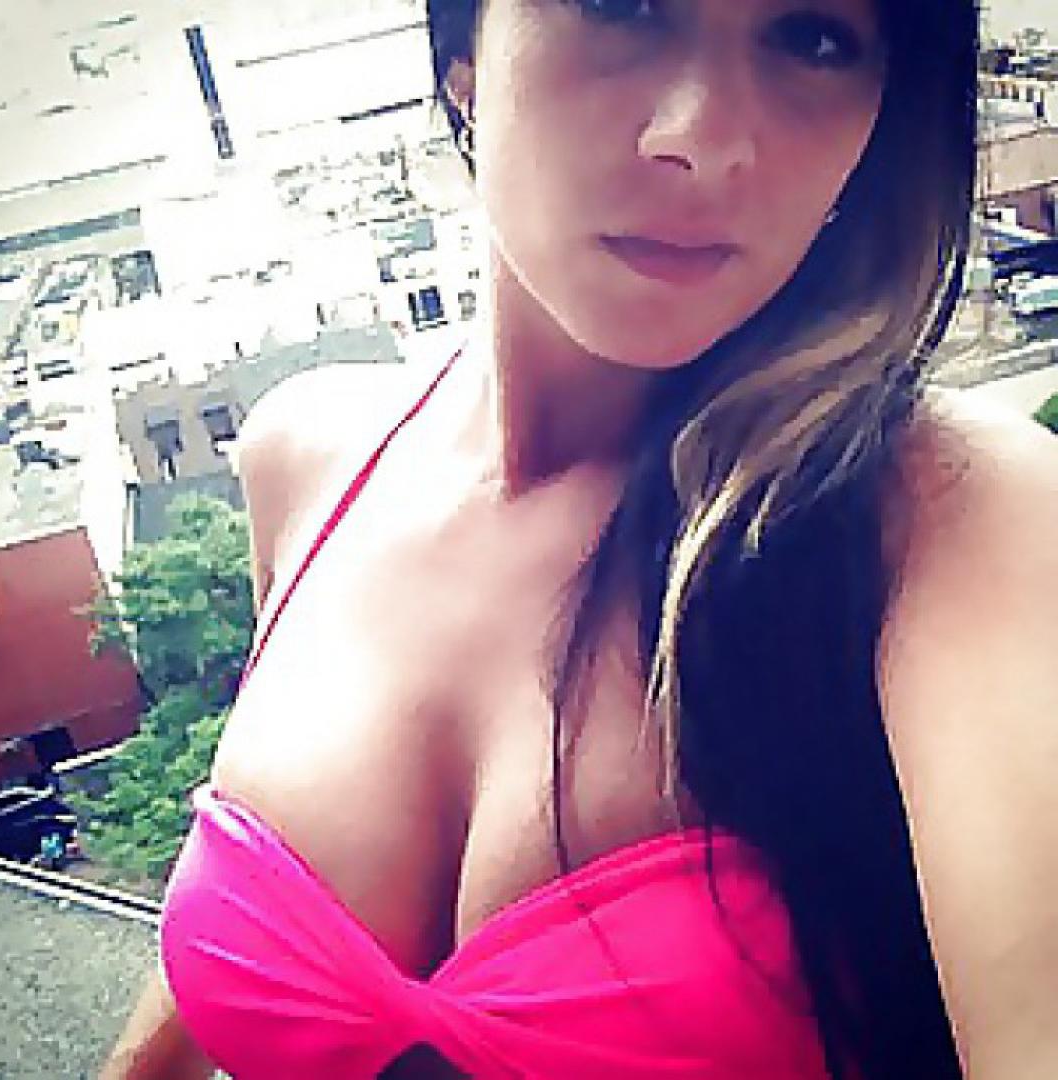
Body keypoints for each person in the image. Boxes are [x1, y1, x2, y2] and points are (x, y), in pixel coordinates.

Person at [100, 1, 1058, 1078]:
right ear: (462, 54)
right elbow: (256, 869)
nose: (700, 136)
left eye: (813, 38)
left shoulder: (948, 520)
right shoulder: (306, 460)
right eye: (621, 4)